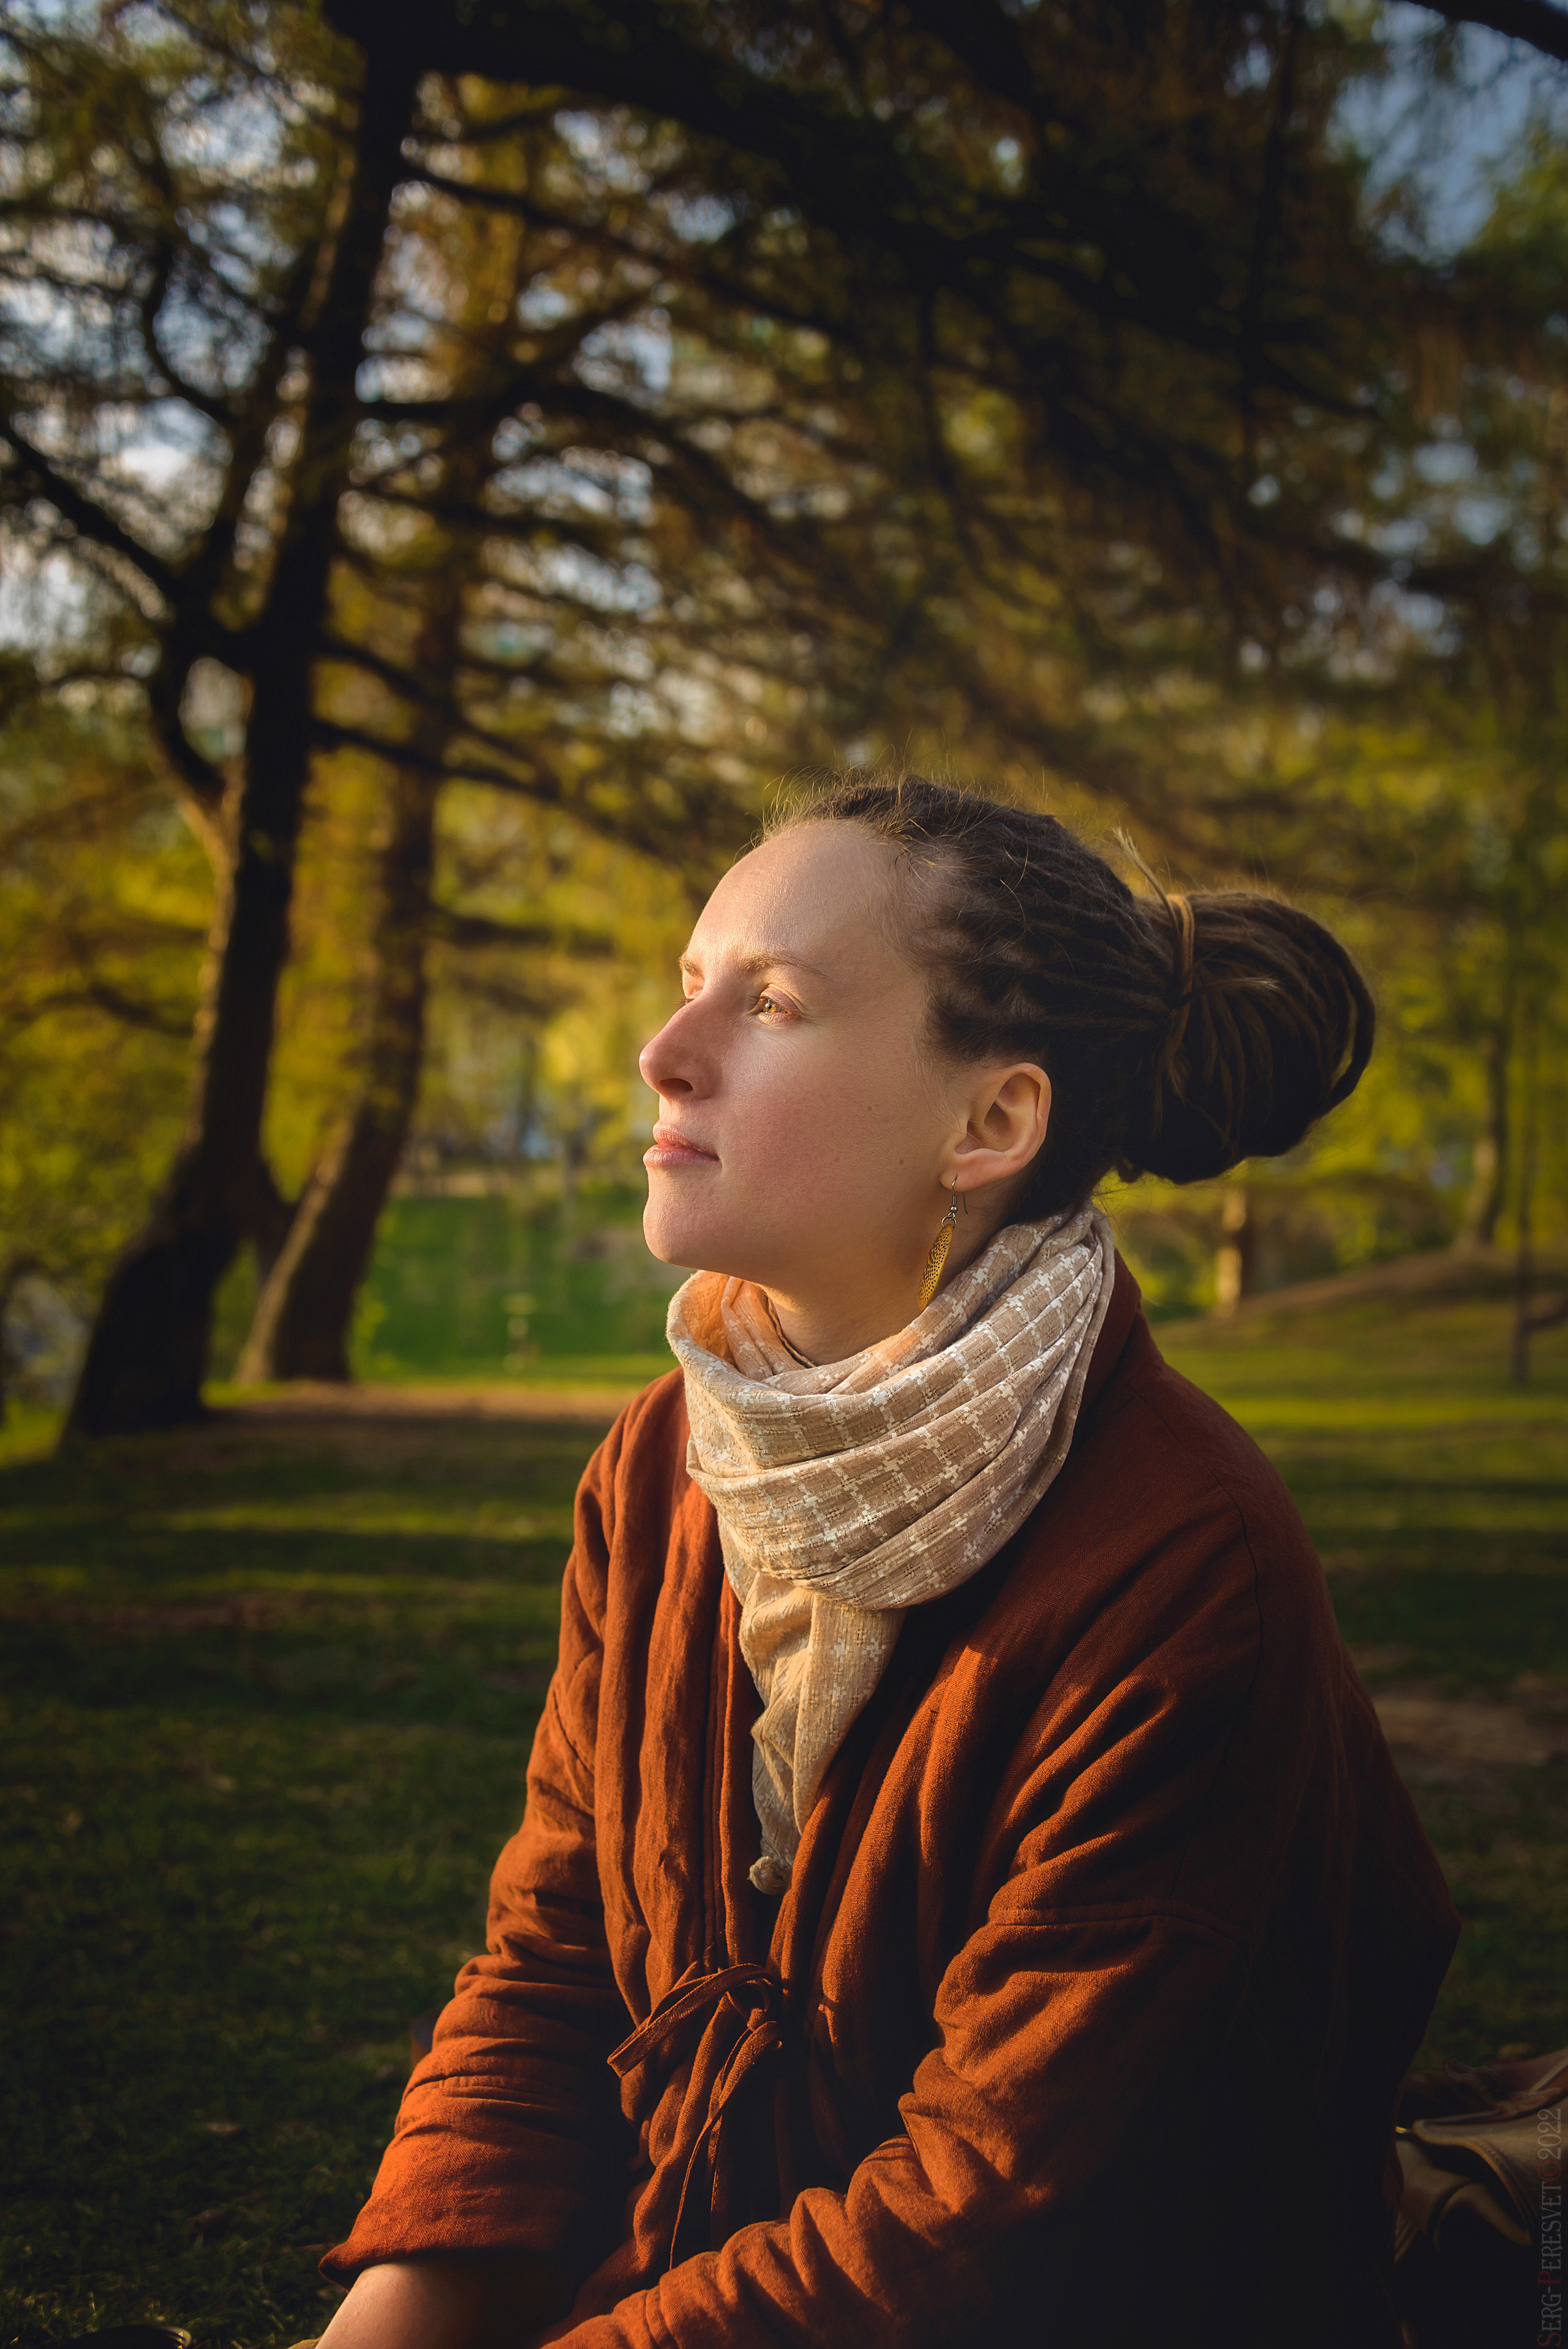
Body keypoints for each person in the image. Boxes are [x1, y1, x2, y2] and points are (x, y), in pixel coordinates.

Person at [316, 774, 1458, 2348]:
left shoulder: (1186, 1573)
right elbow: (556, 1965)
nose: (664, 1056)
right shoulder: (660, 1465)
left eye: (769, 1001)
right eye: (687, 984)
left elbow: (987, 2213)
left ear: (988, 1121)